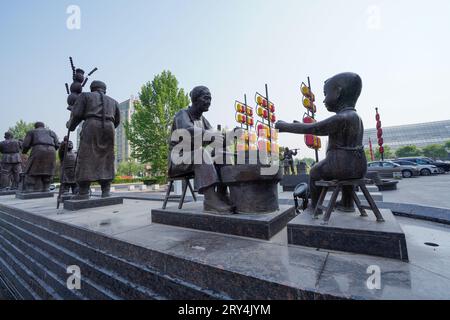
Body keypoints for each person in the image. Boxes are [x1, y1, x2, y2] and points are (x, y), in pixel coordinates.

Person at [276, 72, 367, 213]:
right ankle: (347, 203)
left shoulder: (341, 118)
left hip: (340, 166)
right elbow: (318, 126)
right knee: (345, 176)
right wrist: (301, 124)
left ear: (337, 92)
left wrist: (285, 126)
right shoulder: (356, 117)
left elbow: (313, 128)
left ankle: (315, 207)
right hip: (359, 166)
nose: (324, 100)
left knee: (314, 171)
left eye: (326, 94)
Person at [168, 86, 234, 214]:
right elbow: (188, 131)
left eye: (210, 98)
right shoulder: (182, 114)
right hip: (178, 160)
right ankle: (210, 200)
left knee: (222, 154)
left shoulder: (203, 120)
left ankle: (222, 194)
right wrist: (212, 136)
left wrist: (230, 136)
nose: (209, 101)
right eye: (205, 98)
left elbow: (215, 138)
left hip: (194, 159)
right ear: (195, 99)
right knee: (201, 153)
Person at [67, 80, 120, 199]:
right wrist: (107, 126)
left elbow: (77, 114)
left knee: (86, 156)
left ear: (92, 88)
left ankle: (83, 192)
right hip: (109, 128)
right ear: (104, 90)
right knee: (107, 158)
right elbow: (117, 121)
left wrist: (70, 125)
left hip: (91, 125)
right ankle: (105, 190)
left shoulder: (85, 96)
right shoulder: (114, 102)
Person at [21, 122, 59, 193]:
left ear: (35, 126)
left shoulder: (32, 132)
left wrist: (24, 152)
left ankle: (30, 189)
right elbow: (57, 144)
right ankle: (46, 188)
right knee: (48, 170)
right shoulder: (51, 132)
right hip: (51, 151)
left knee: (31, 169)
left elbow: (26, 145)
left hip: (38, 149)